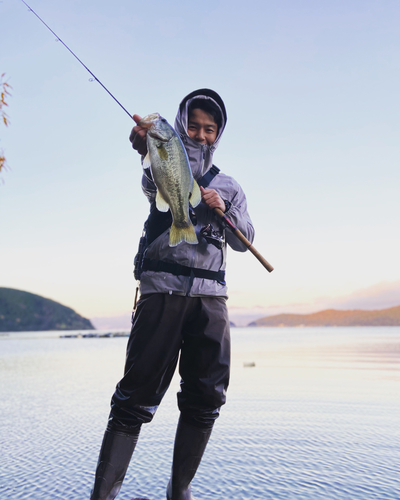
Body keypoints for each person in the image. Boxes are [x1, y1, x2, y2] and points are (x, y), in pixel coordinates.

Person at [90, 89, 255, 500]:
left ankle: (179, 489)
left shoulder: (231, 186)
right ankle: (102, 495)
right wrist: (145, 148)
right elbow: (150, 182)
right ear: (182, 126)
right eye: (194, 126)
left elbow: (245, 240)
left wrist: (226, 211)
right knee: (135, 394)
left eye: (209, 129)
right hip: (160, 292)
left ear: (217, 135)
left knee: (207, 396)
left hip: (211, 301)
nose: (201, 134)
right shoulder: (163, 160)